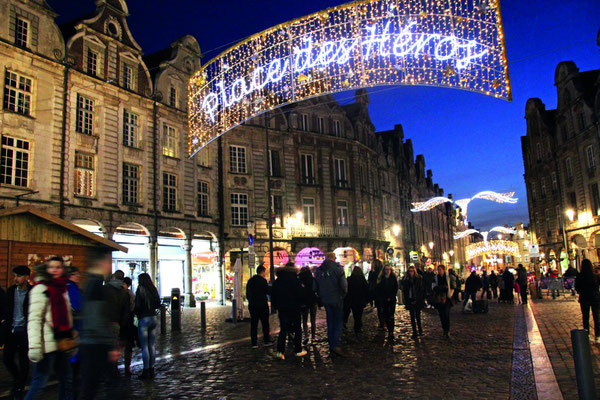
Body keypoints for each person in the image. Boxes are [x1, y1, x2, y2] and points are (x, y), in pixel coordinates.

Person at [26, 257, 74, 400]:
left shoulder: (63, 287)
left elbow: (67, 315)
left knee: (67, 381)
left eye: (58, 267)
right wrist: (34, 346)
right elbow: (34, 319)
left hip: (62, 341)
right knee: (39, 382)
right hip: (46, 344)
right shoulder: (41, 289)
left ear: (63, 269)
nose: (54, 270)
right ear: (46, 269)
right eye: (51, 267)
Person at [79, 248, 122, 399]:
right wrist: (110, 346)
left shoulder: (89, 283)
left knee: (92, 385)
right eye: (108, 261)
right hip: (97, 344)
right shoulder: (96, 285)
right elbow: (96, 317)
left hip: (91, 342)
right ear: (102, 262)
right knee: (103, 384)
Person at [2, 265, 32, 399]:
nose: (15, 279)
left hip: (26, 331)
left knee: (23, 360)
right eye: (14, 276)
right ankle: (17, 379)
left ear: (26, 277)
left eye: (18, 276)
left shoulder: (32, 292)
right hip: (12, 330)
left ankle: (20, 386)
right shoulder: (10, 291)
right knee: (7, 358)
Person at [314, 252, 347, 357]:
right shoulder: (338, 269)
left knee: (330, 321)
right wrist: (343, 294)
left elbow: (315, 287)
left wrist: (321, 295)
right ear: (333, 258)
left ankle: (331, 343)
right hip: (337, 298)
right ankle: (335, 344)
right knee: (338, 321)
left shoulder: (319, 270)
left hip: (326, 299)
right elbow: (343, 285)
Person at [271, 263, 306, 359]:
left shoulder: (277, 281)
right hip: (295, 308)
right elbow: (301, 294)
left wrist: (276, 306)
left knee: (283, 330)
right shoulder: (296, 281)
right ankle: (298, 350)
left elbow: (273, 295)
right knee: (297, 329)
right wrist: (302, 305)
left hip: (282, 308)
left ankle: (280, 351)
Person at [135, 273, 161, 379]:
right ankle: (152, 368)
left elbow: (137, 305)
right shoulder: (153, 289)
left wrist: (137, 313)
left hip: (144, 318)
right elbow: (158, 303)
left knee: (144, 346)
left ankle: (146, 370)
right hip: (153, 318)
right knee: (152, 345)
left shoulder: (140, 289)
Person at [105, 270, 130, 377]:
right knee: (113, 348)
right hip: (116, 323)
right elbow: (126, 312)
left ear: (113, 277)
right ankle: (113, 370)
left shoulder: (105, 289)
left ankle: (107, 371)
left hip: (104, 323)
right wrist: (122, 326)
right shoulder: (125, 293)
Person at [245, 265, 272, 348]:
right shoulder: (263, 281)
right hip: (262, 304)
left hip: (253, 305)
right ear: (262, 272)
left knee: (254, 324)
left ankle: (254, 343)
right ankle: (266, 340)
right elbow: (267, 291)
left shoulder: (250, 281)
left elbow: (247, 294)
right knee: (265, 323)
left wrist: (251, 300)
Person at [575, 259, 600, 342]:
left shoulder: (579, 276)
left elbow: (577, 288)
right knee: (597, 317)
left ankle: (587, 334)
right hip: (595, 298)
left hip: (584, 298)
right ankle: (597, 335)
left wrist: (581, 291)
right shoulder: (595, 275)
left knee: (585, 317)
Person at [432, 265, 456, 339]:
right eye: (438, 269)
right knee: (441, 315)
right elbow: (433, 287)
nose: (439, 271)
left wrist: (450, 293)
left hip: (447, 298)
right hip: (439, 299)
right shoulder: (436, 278)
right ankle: (444, 330)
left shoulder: (448, 277)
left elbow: (453, 286)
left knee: (446, 314)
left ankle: (447, 330)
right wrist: (440, 288)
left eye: (440, 269)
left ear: (444, 270)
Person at [344, 266, 369, 334]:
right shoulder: (362, 280)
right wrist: (367, 299)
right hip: (360, 299)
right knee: (359, 314)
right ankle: (358, 326)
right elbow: (366, 289)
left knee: (355, 313)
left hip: (352, 300)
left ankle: (357, 326)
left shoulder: (349, 279)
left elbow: (346, 289)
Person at [375, 264, 398, 339]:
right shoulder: (381, 278)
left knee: (391, 315)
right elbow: (379, 289)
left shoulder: (393, 278)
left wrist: (391, 297)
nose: (387, 271)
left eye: (389, 269)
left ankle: (391, 331)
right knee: (386, 315)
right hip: (384, 299)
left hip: (391, 300)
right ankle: (389, 329)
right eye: (386, 269)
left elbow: (395, 288)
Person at [401, 266, 425, 338]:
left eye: (412, 271)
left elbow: (421, 290)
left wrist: (419, 299)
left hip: (417, 300)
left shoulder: (419, 279)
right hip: (410, 300)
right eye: (410, 271)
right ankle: (414, 331)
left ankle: (420, 330)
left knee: (418, 316)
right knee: (412, 317)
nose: (411, 273)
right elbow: (405, 291)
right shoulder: (406, 280)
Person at [298, 266, 318, 345]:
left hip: (304, 301)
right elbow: (315, 289)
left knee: (304, 320)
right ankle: (313, 338)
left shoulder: (300, 280)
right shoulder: (313, 279)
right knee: (313, 320)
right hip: (313, 300)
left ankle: (306, 336)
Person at [122, 277, 136, 375]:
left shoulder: (123, 293)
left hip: (124, 322)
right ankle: (127, 368)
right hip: (129, 322)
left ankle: (125, 368)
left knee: (125, 345)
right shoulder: (131, 294)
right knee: (128, 346)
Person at [368, 259, 384, 326]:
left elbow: (370, 281)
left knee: (379, 308)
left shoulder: (373, 273)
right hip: (382, 293)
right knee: (383, 308)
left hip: (376, 293)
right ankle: (384, 321)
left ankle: (381, 322)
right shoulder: (383, 272)